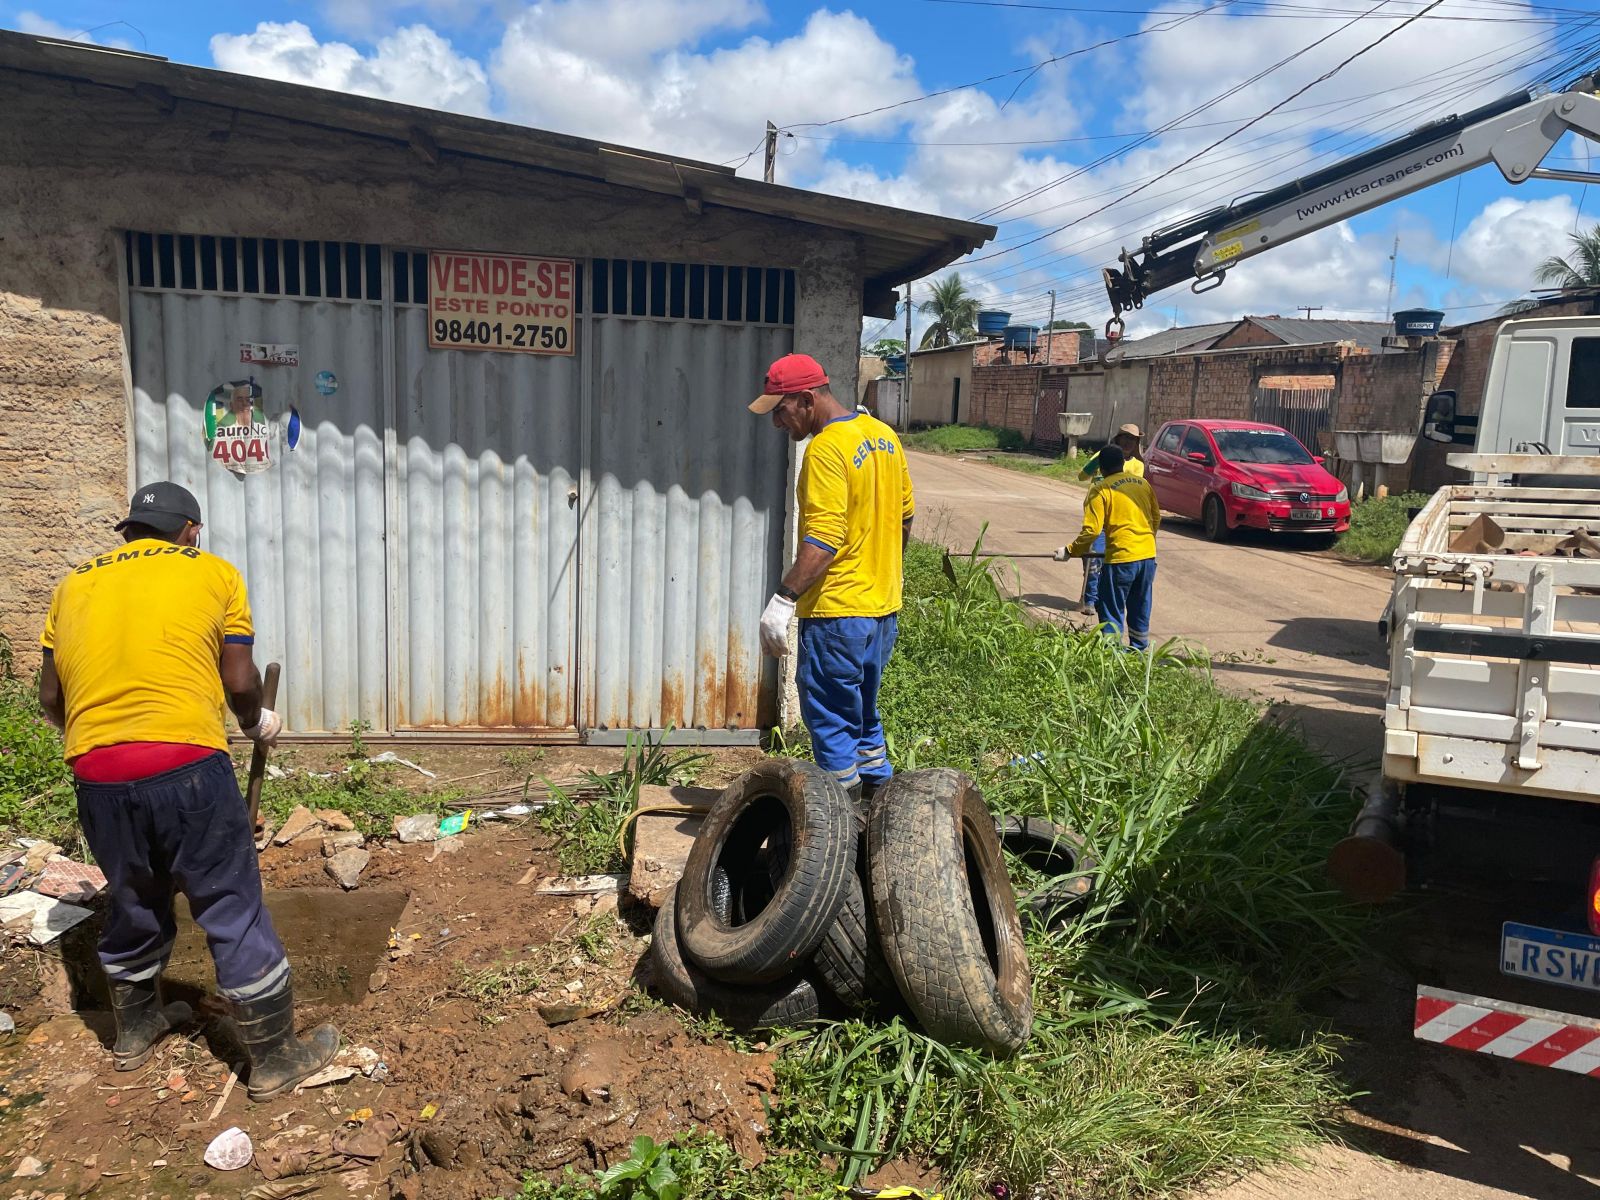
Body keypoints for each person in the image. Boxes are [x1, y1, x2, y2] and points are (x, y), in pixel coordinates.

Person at [37, 482, 338, 1099]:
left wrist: (111, 745)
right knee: (230, 902)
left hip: (96, 771)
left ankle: (136, 1030)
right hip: (186, 763)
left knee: (134, 896)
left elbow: (50, 699)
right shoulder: (213, 572)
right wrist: (256, 722)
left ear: (128, 533)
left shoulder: (71, 585)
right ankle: (277, 1058)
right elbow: (238, 676)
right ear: (190, 531)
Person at [749, 354, 914, 802]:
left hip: (838, 613)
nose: (777, 423)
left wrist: (783, 600)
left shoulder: (824, 449)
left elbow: (823, 539)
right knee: (862, 715)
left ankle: (838, 823)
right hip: (881, 612)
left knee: (831, 722)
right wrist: (880, 571)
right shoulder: (884, 437)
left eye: (780, 411)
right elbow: (904, 520)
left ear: (806, 399)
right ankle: (881, 808)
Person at [1054, 446, 1160, 649]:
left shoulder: (1101, 490)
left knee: (1111, 607)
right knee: (1140, 606)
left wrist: (1069, 551)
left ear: (1101, 468)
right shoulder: (1143, 484)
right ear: (1122, 464)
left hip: (1121, 559)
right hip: (1147, 557)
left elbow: (1092, 532)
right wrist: (1145, 540)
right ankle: (1138, 651)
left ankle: (1112, 657)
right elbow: (1156, 518)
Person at [1075, 424, 1144, 612]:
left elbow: (1131, 488)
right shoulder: (1101, 456)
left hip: (1121, 519)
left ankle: (1100, 598)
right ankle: (1089, 599)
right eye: (1126, 438)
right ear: (1118, 439)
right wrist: (1096, 464)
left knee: (1111, 562)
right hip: (1098, 515)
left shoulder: (1137, 466)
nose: (1129, 443)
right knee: (1093, 559)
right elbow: (1082, 476)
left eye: (1133, 440)